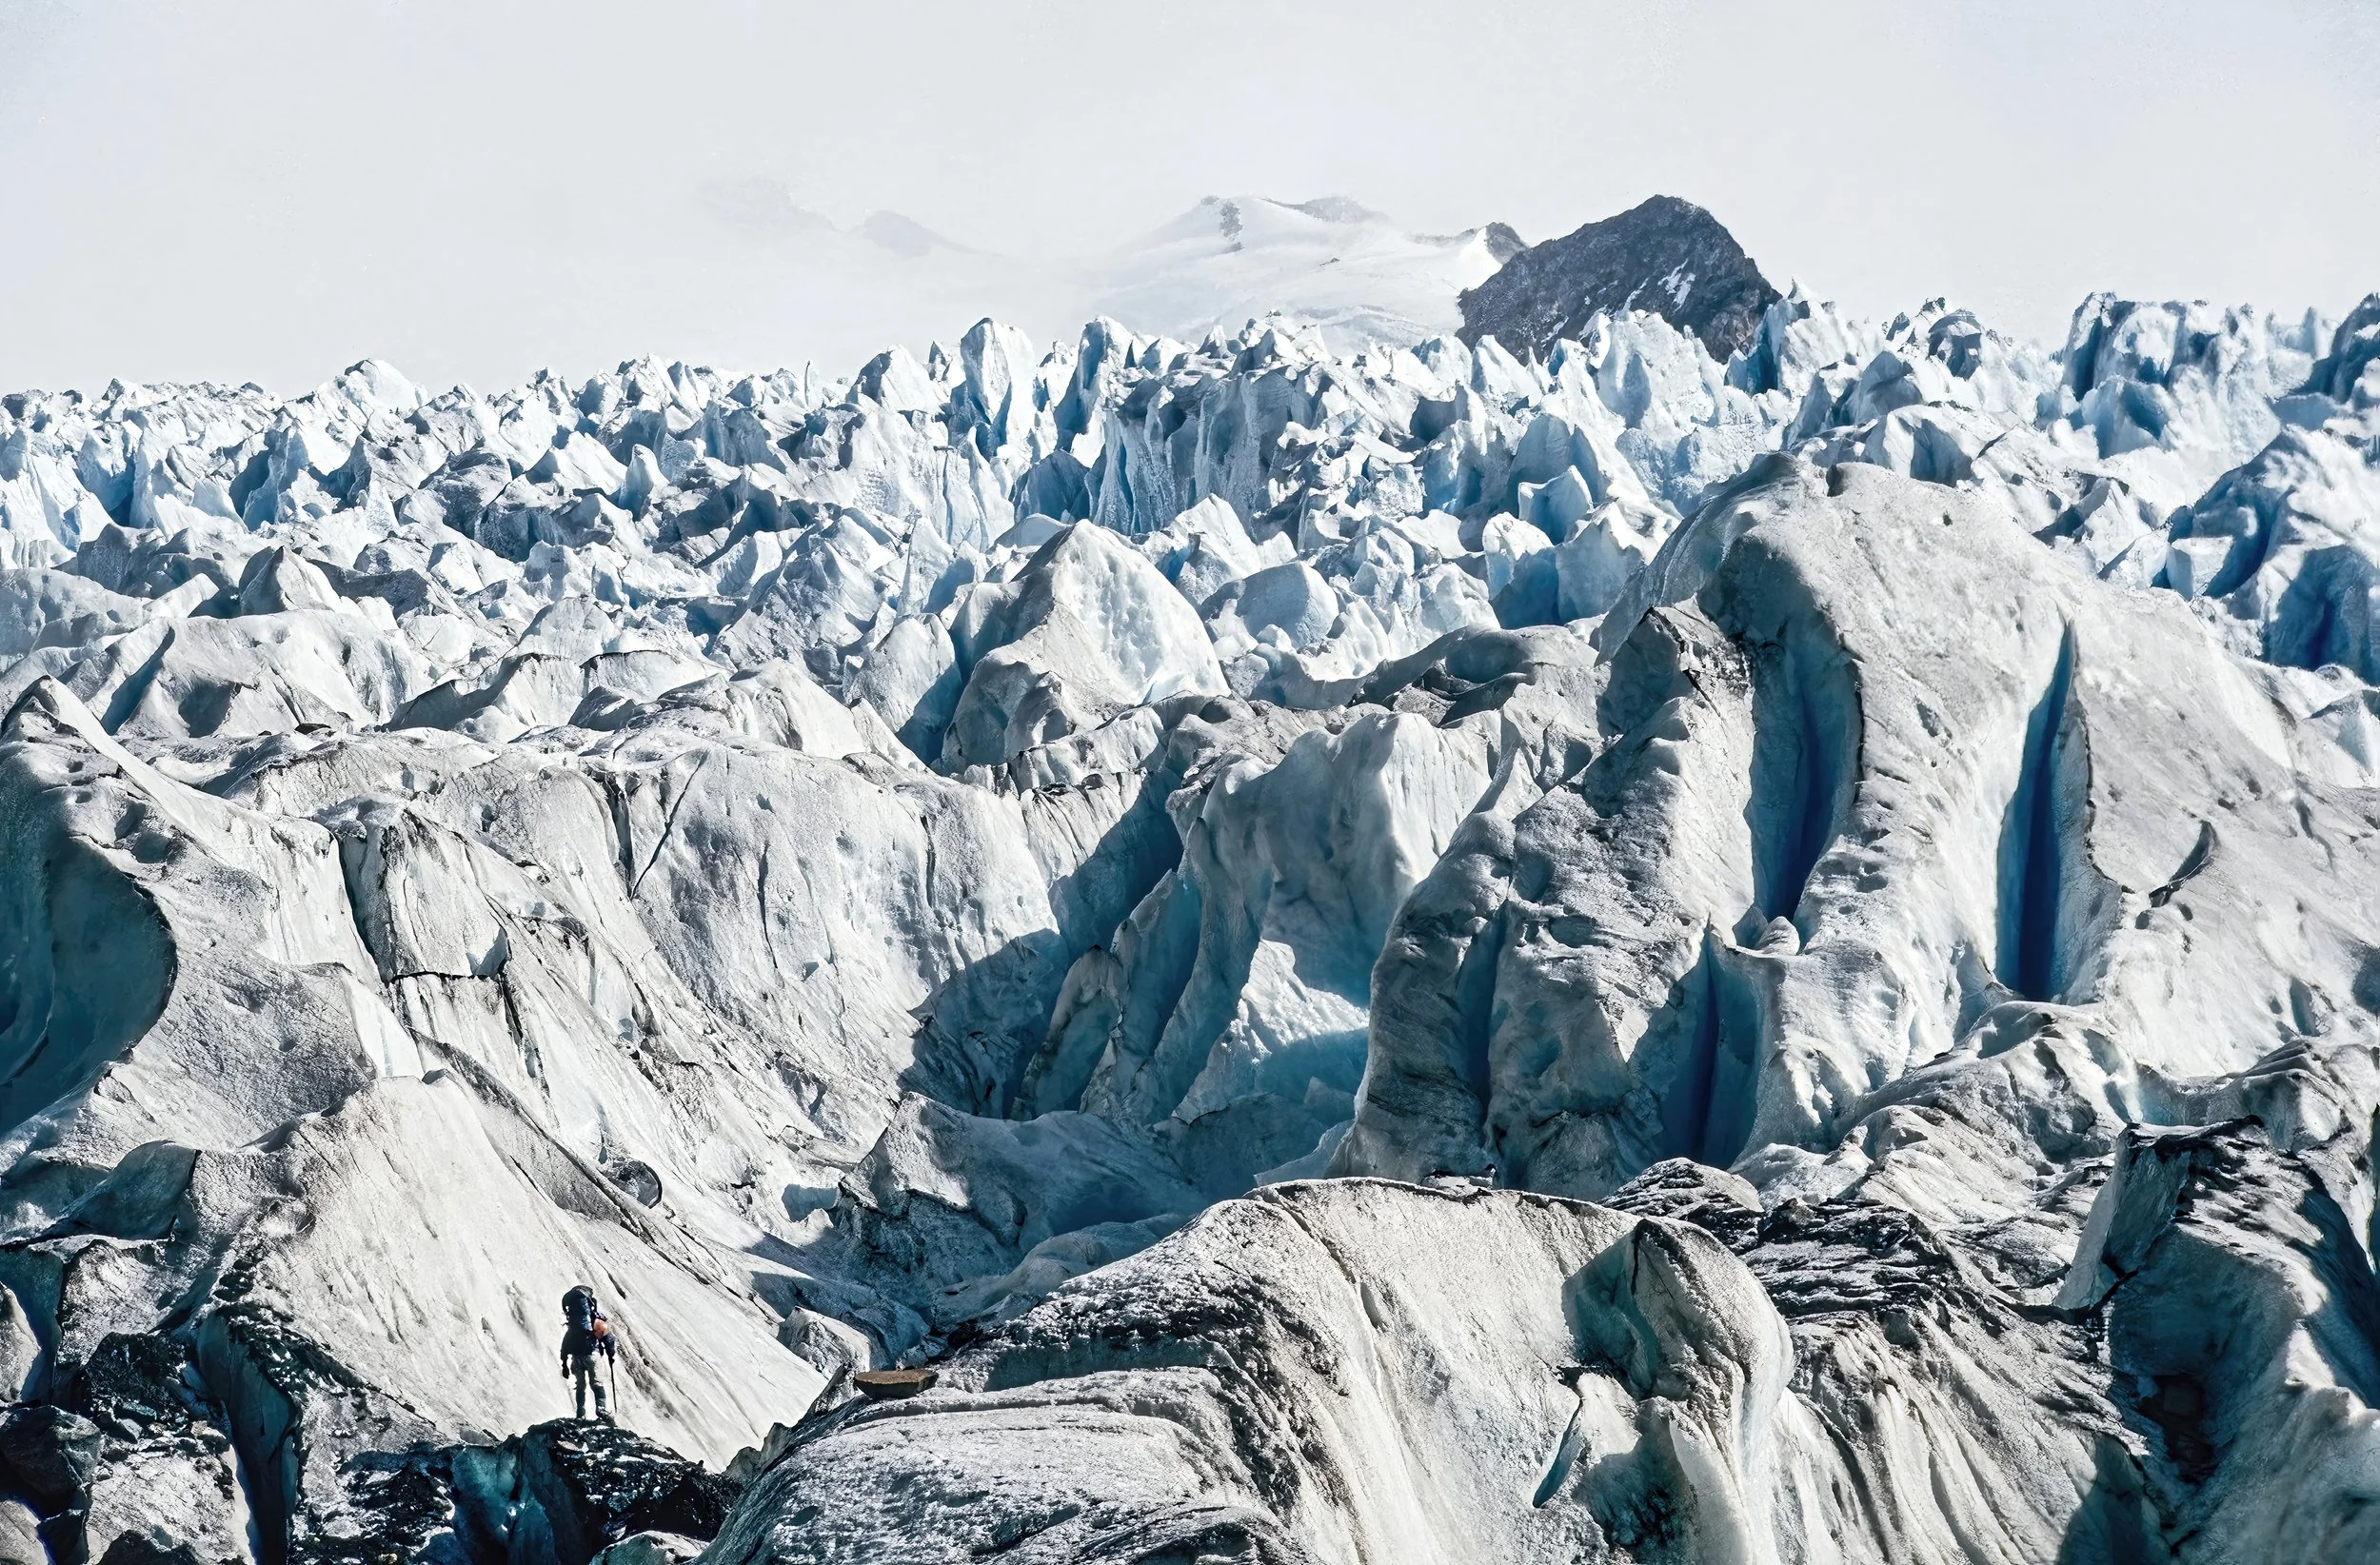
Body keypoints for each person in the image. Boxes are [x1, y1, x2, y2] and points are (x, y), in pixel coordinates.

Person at [560, 1284, 616, 1422]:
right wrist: (610, 1354)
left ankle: (580, 1413)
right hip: (593, 1354)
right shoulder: (595, 1319)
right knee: (596, 1383)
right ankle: (601, 1410)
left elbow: (565, 1344)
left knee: (580, 1385)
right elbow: (608, 1338)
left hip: (576, 1357)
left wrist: (564, 1364)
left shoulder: (573, 1324)